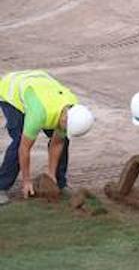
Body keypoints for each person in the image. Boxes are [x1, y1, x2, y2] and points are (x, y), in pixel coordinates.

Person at [0, 70, 95, 204]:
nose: (65, 129)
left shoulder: (72, 108)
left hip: (39, 84)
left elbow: (57, 143)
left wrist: (51, 174)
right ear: (64, 119)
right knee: (19, 140)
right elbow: (24, 148)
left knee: (64, 140)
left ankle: (59, 182)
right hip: (12, 91)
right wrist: (26, 181)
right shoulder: (38, 114)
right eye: (66, 127)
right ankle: (1, 186)